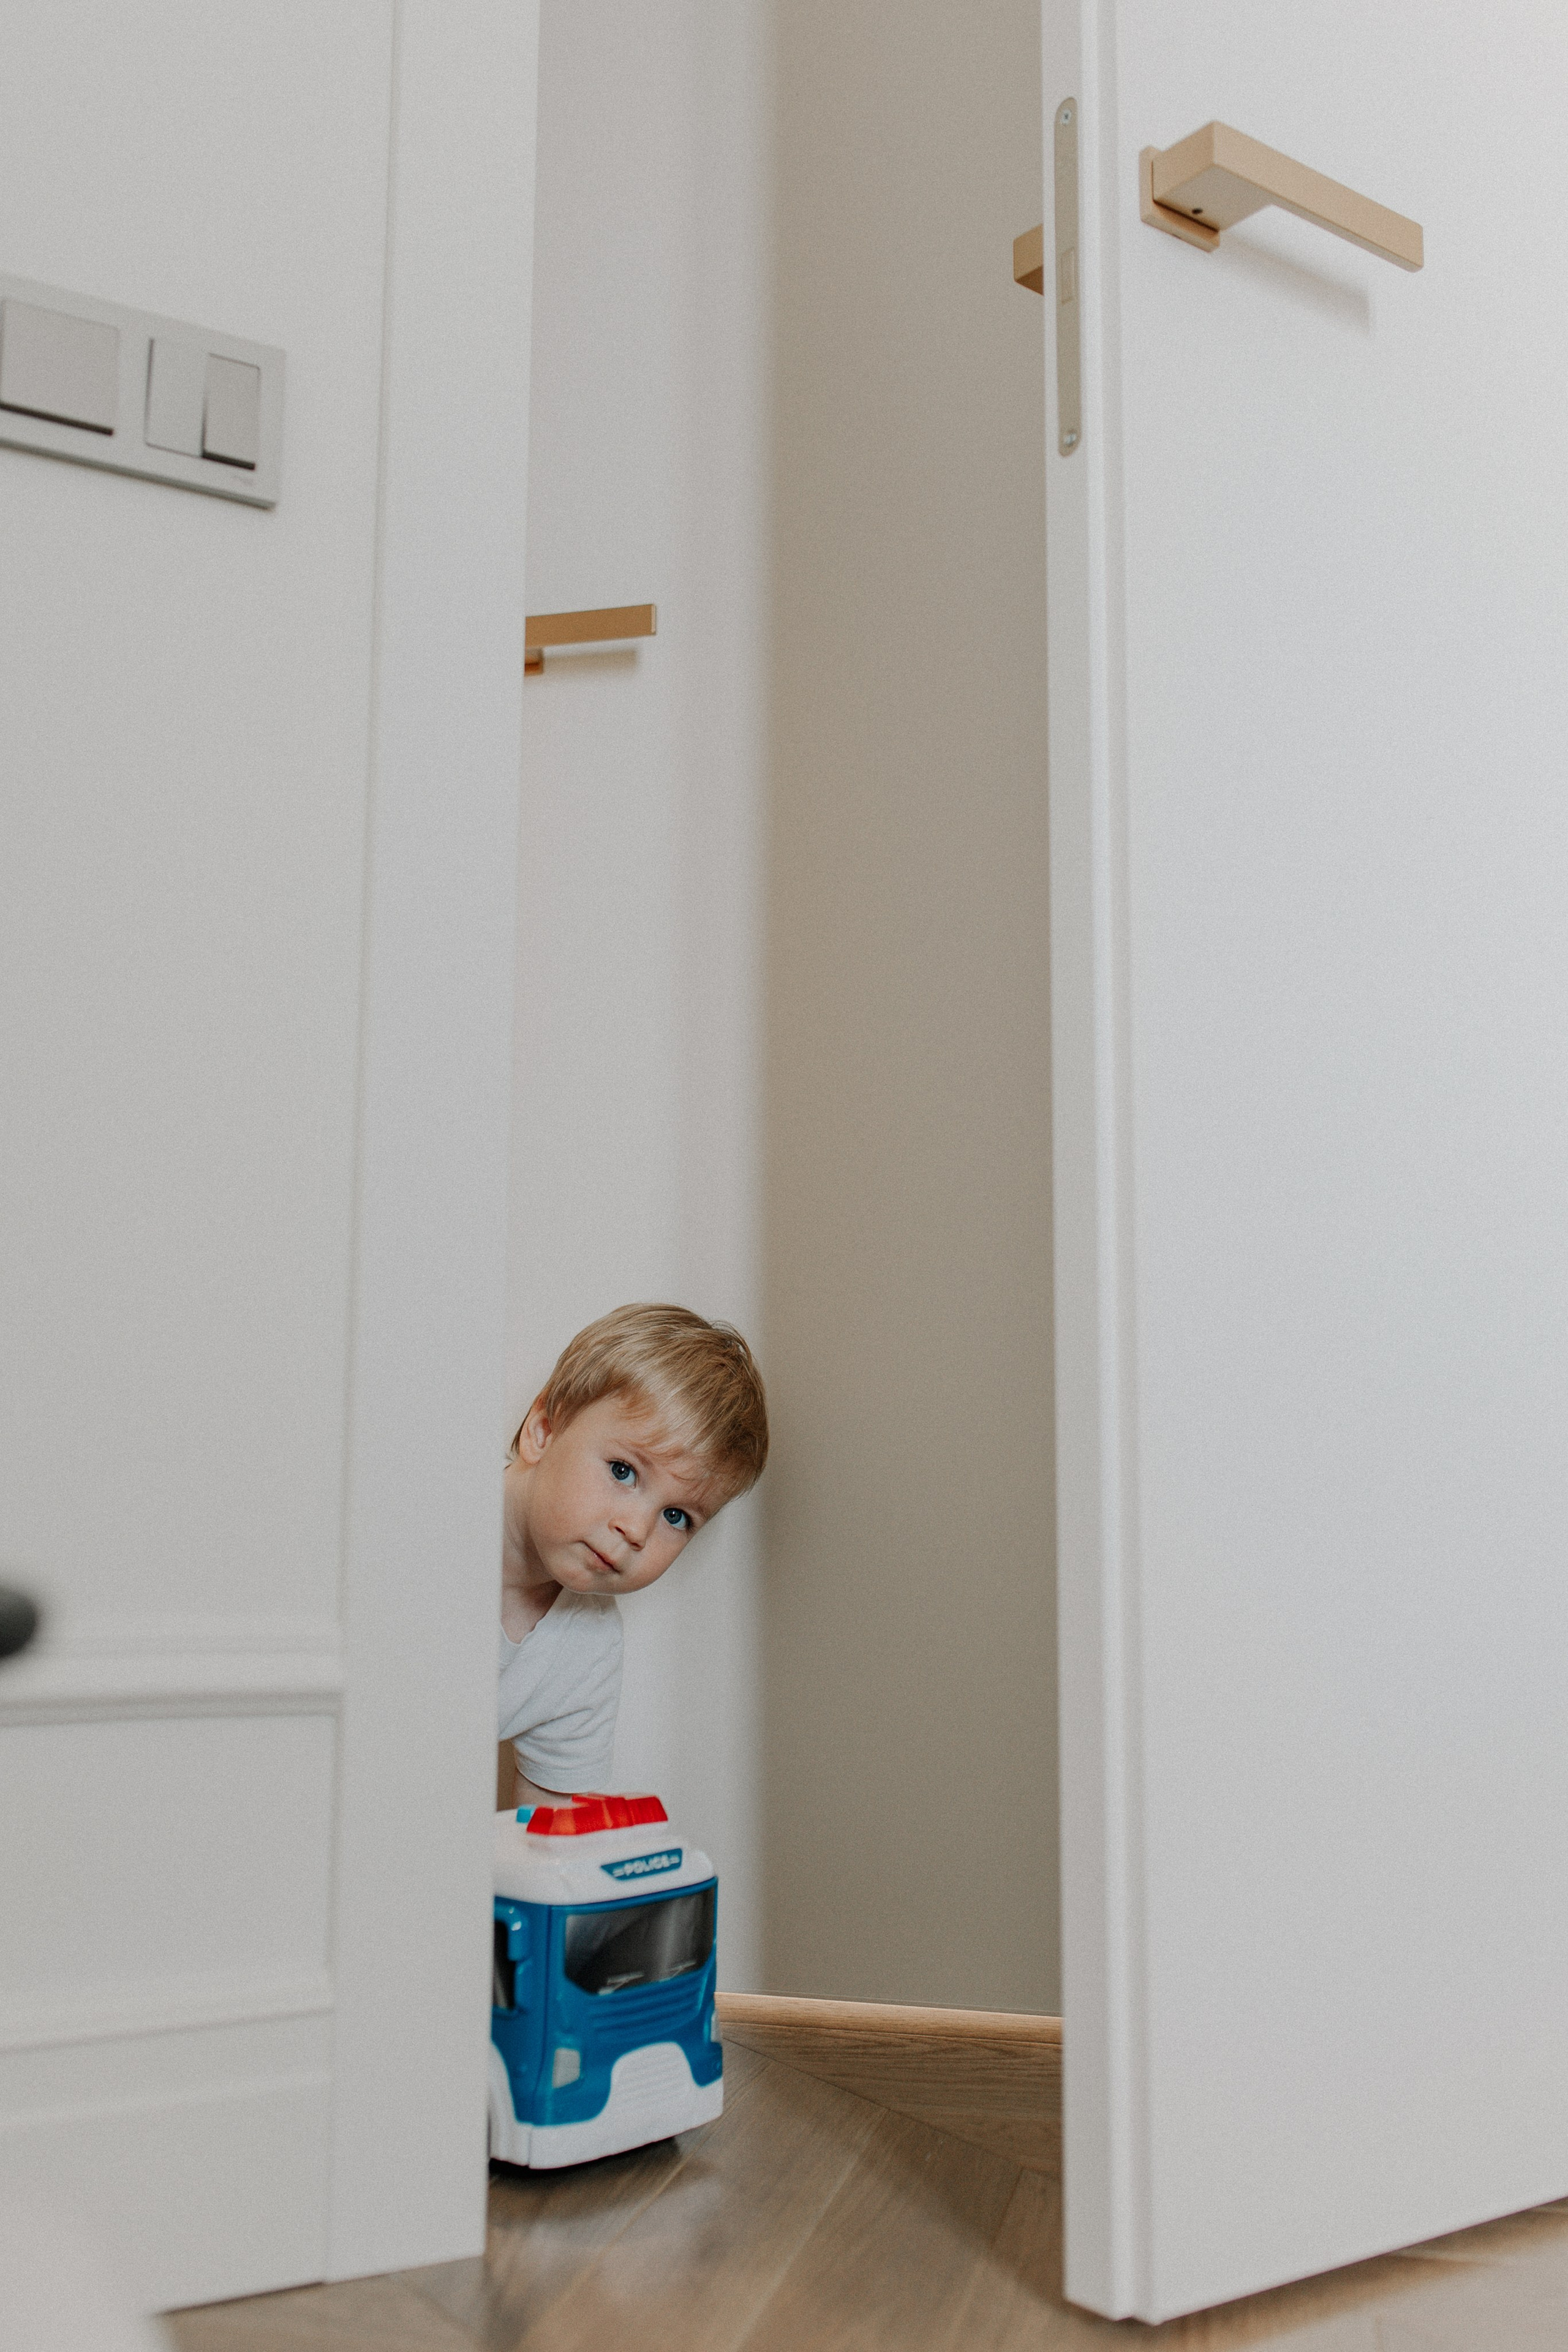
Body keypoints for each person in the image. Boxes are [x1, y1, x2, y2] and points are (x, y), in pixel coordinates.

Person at [499, 1302, 768, 1809]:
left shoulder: (589, 1645)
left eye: (676, 1517)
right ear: (544, 1430)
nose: (638, 1530)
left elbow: (548, 1829)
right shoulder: (431, 1527)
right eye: (623, 1471)